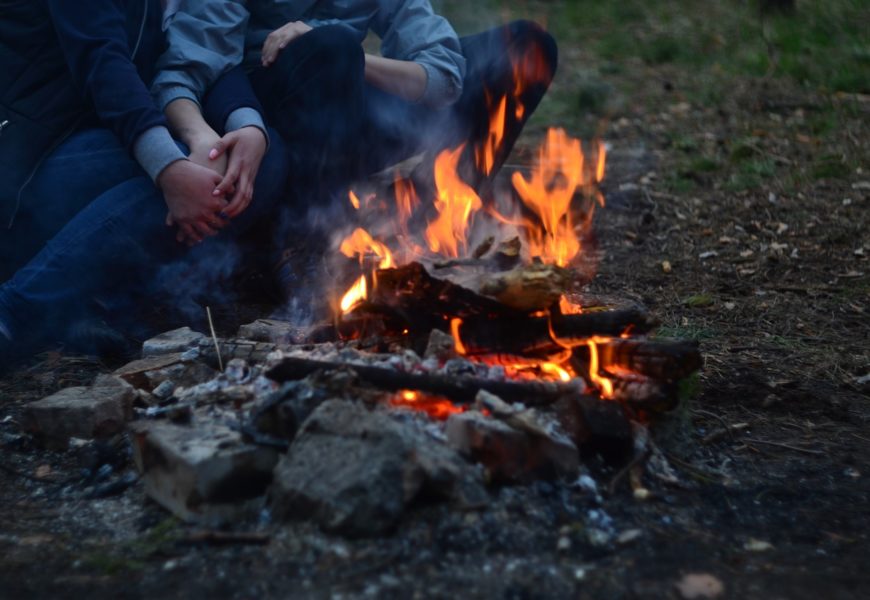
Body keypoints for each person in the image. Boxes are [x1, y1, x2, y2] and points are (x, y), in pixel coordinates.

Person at [0, 0, 288, 366]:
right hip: (30, 158)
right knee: (184, 171)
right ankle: (15, 312)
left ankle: (97, 300)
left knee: (260, 156)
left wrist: (245, 125)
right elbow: (102, 61)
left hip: (107, 142)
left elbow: (201, 57)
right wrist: (169, 167)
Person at [156, 0, 558, 221]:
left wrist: (360, 62)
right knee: (332, 47)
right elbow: (183, 73)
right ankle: (305, 239)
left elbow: (446, 77)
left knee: (525, 49)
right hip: (274, 134)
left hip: (350, 119)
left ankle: (427, 215)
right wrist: (197, 139)